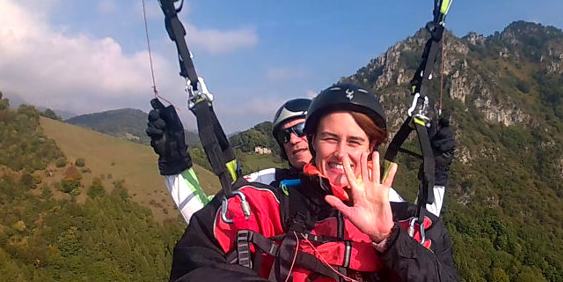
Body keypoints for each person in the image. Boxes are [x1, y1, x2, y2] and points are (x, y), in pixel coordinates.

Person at [166, 83, 484, 282]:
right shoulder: (267, 198)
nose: (340, 154)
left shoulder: (396, 210)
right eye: (330, 139)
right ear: (314, 140)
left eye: (354, 142)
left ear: (372, 147)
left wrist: (388, 237)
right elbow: (196, 258)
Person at [146, 98, 455, 226]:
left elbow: (422, 227)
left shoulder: (368, 188)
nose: (293, 139)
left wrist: (436, 171)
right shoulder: (267, 183)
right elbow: (211, 221)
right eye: (285, 135)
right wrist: (175, 164)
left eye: (300, 130)